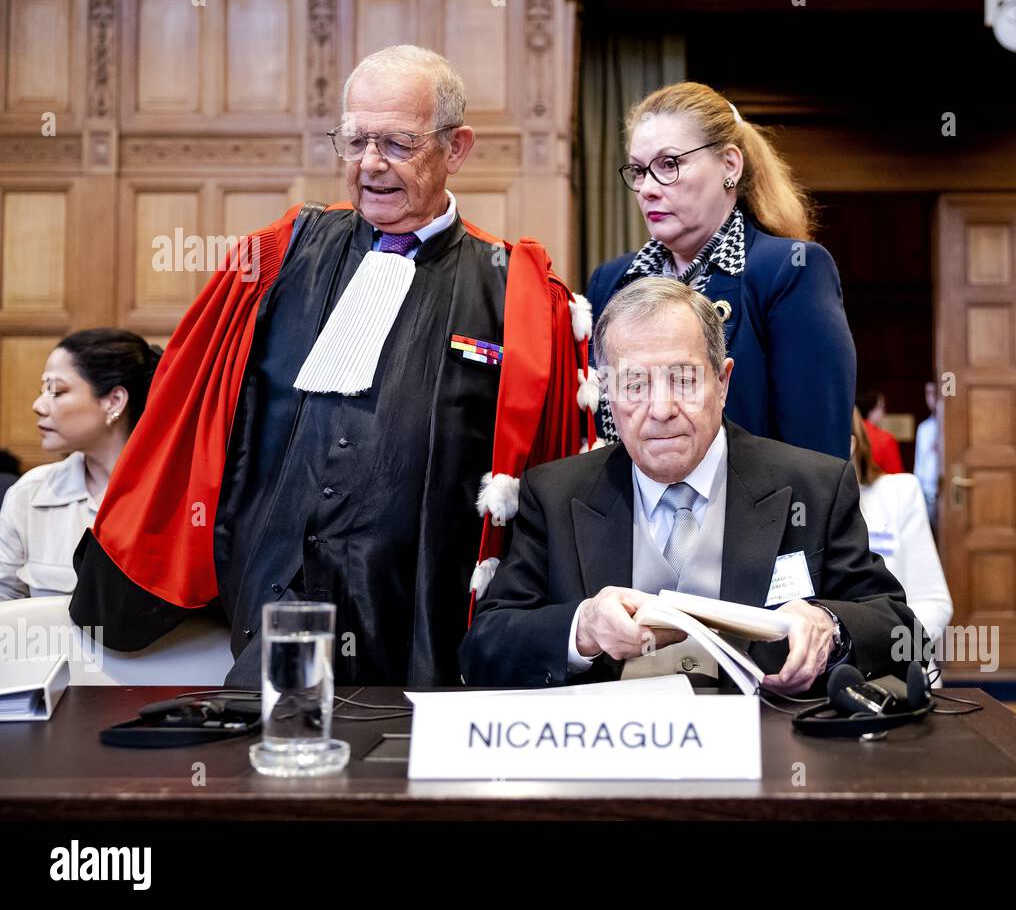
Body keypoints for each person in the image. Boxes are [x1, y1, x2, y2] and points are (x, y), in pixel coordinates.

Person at [70, 45, 590, 687]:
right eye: (355, 140)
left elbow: (547, 478)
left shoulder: (518, 293)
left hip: (428, 630)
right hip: (276, 618)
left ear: (456, 148)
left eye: (398, 144)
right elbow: (193, 417)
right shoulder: (278, 259)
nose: (370, 165)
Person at [460, 278, 920, 694]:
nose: (660, 409)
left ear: (722, 382)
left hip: (767, 759)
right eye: (634, 383)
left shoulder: (812, 486)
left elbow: (902, 632)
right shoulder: (556, 493)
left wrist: (830, 625)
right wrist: (583, 629)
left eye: (683, 380)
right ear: (606, 392)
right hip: (611, 761)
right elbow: (486, 646)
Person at [585, 82, 856, 460]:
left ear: (730, 165)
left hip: (749, 515)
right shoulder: (610, 282)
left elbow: (817, 459)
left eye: (668, 164)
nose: (646, 188)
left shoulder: (790, 270)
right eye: (638, 171)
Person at [0, 330, 160, 599]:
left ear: (114, 401)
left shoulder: (180, 498)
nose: (38, 405)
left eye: (56, 391)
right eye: (43, 390)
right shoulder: (29, 494)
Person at [851, 408, 952, 685]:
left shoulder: (899, 493)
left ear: (851, 443)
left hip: (902, 674)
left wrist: (878, 648)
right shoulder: (799, 507)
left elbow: (935, 603)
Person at [913, 381, 941, 532]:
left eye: (935, 393)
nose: (931, 399)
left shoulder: (952, 426)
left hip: (947, 491)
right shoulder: (924, 428)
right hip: (928, 493)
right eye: (928, 394)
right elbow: (919, 462)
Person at [860, 390, 903, 475]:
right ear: (873, 408)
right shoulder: (886, 439)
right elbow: (896, 476)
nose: (884, 413)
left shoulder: (850, 435)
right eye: (882, 407)